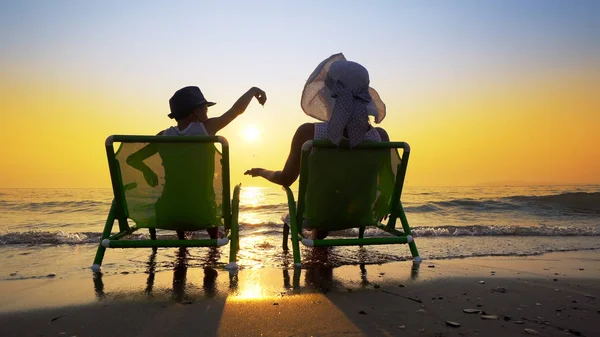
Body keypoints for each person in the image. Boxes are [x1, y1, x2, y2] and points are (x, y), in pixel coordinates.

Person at [244, 53, 388, 238]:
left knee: (323, 205)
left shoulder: (308, 134)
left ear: (327, 96)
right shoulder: (381, 137)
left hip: (318, 216)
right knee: (337, 197)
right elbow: (384, 182)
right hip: (362, 215)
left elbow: (286, 179)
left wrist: (262, 171)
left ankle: (318, 251)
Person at [128, 86, 266, 239]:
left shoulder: (163, 136)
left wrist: (147, 171)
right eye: (205, 108)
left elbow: (132, 159)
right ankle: (214, 242)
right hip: (202, 212)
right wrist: (253, 91)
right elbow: (236, 110)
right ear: (196, 112)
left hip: (168, 213)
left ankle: (182, 244)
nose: (207, 112)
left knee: (177, 196)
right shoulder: (206, 129)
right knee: (204, 200)